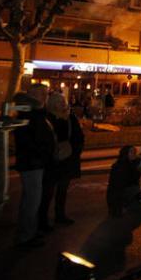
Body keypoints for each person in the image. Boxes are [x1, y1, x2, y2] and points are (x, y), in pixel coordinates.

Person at [13, 84, 56, 247]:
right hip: (32, 163)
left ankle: (29, 232)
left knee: (31, 200)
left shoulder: (36, 112)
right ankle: (25, 237)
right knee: (31, 201)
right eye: (40, 94)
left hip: (36, 162)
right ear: (31, 94)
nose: (44, 97)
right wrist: (43, 154)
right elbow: (31, 140)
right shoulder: (29, 112)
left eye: (45, 94)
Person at [40, 92, 85, 227]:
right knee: (47, 192)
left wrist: (75, 151)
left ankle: (60, 215)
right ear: (52, 103)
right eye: (59, 102)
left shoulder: (71, 117)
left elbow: (79, 136)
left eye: (63, 102)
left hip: (67, 159)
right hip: (52, 160)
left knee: (62, 190)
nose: (63, 104)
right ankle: (42, 220)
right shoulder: (47, 118)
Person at [107, 145, 141, 217]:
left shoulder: (133, 162)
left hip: (129, 190)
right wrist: (117, 207)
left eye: (135, 152)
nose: (134, 154)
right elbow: (116, 188)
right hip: (120, 193)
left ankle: (130, 204)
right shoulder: (120, 166)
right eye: (131, 152)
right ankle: (125, 205)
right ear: (125, 154)